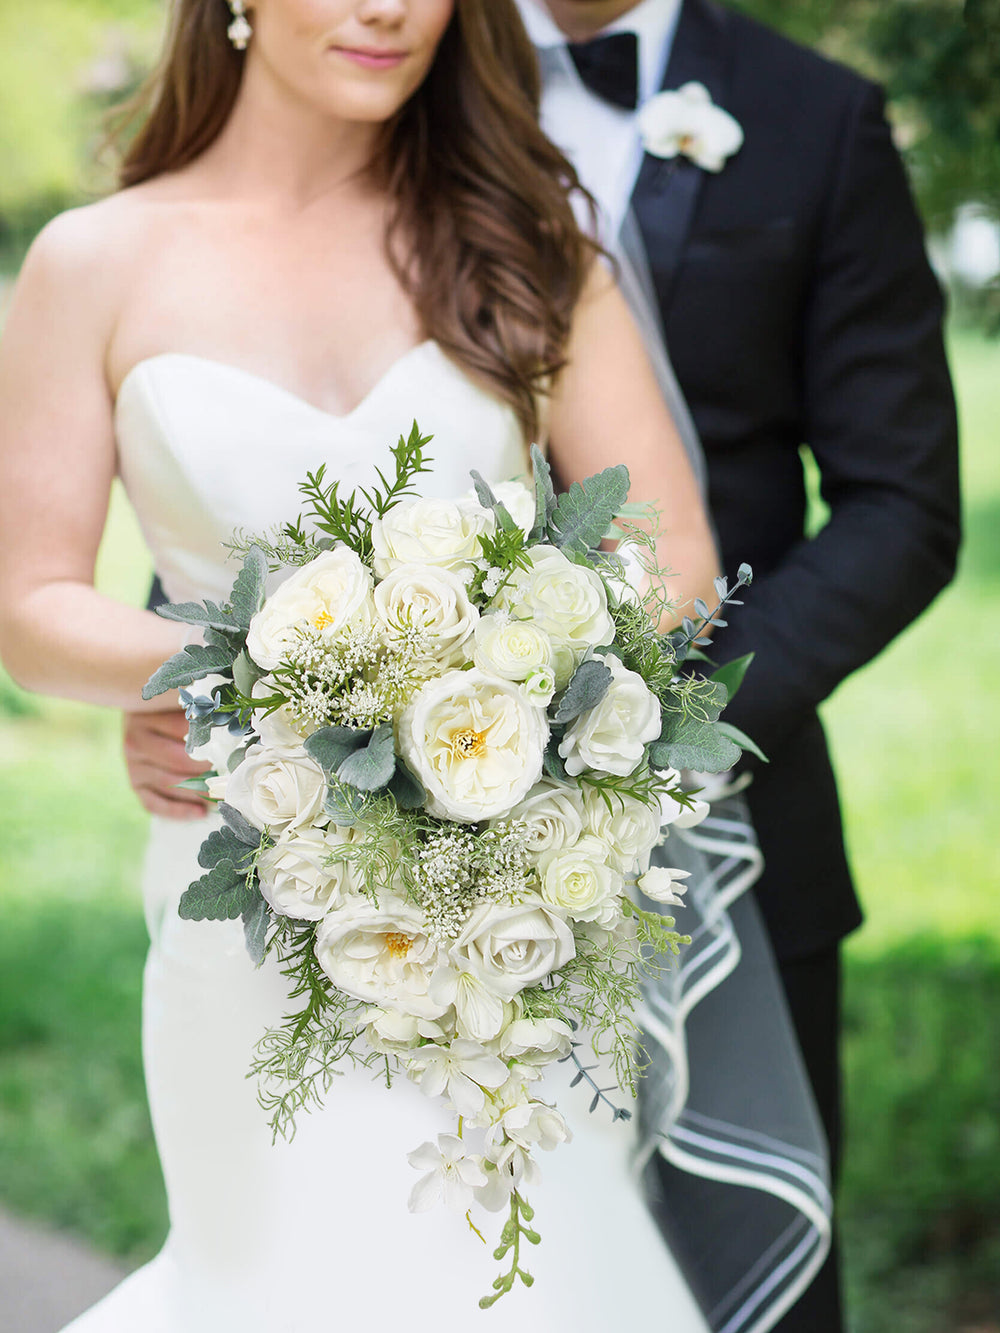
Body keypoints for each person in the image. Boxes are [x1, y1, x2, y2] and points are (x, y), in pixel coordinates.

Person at [0, 2, 727, 1330]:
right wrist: (239, 678)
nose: (386, 8)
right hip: (254, 885)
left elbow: (671, 557)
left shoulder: (523, 240)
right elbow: (29, 600)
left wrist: (505, 689)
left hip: (504, 889)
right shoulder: (93, 262)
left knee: (529, 1273)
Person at [507, 2, 963, 1331]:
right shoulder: (394, 67)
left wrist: (667, 724)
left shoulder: (818, 118)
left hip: (739, 835)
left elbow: (902, 503)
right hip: (411, 843)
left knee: (744, 1296)